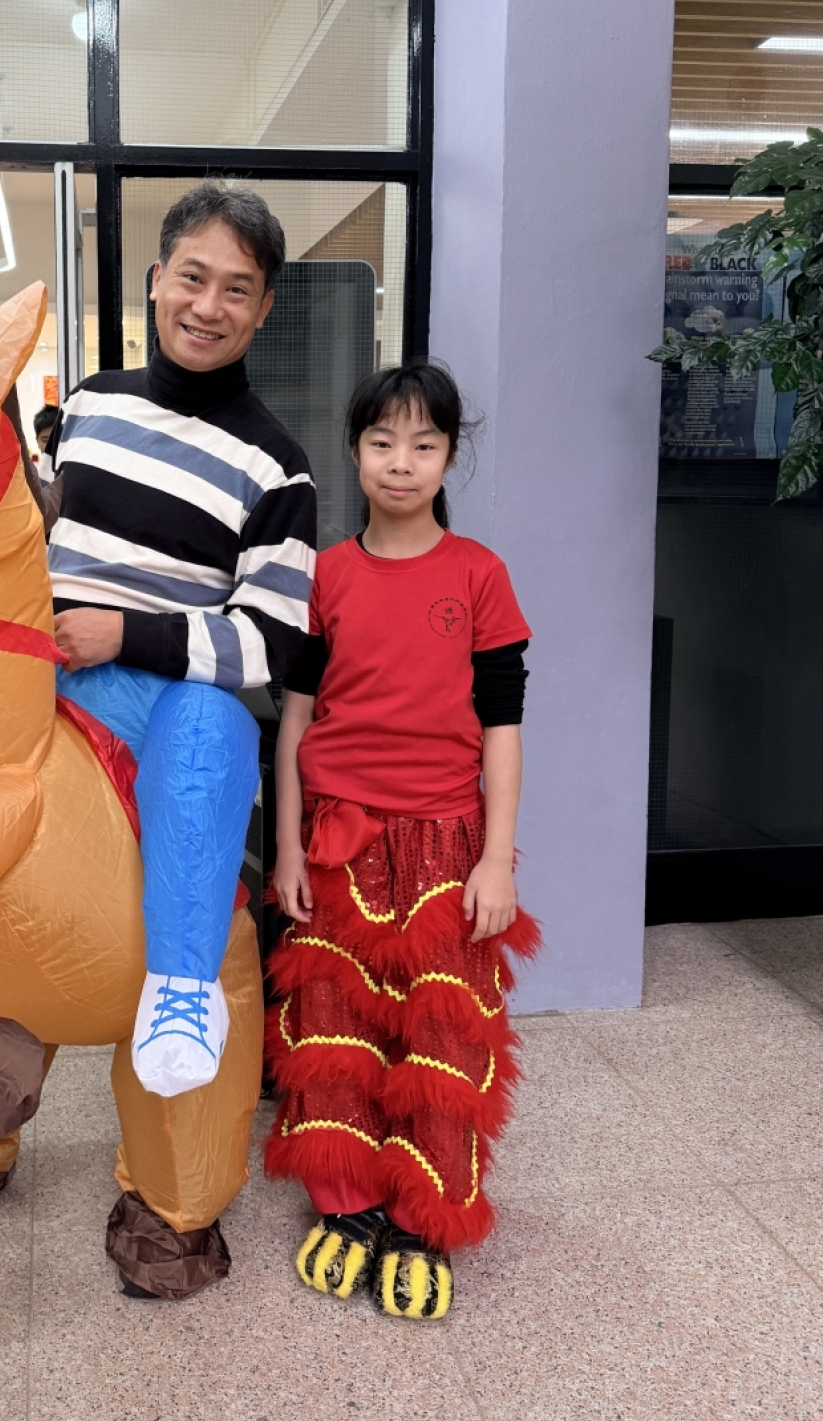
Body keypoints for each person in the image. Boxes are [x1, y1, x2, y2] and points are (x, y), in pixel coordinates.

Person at [265, 358, 540, 1320]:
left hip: (446, 846)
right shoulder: (325, 576)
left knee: (440, 1037)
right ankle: (344, 1206)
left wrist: (496, 859)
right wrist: (288, 849)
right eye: (383, 441)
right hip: (337, 839)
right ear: (355, 451)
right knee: (334, 1026)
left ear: (449, 457)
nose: (400, 462)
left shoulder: (480, 576)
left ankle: (424, 1222)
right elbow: (295, 723)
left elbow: (502, 729)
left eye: (424, 444)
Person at [47, 182, 316, 1097]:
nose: (209, 306)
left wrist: (121, 634)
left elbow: (270, 643)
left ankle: (182, 987)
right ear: (157, 279)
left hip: (157, 706)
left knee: (215, 727)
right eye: (193, 278)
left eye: (237, 289)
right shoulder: (90, 406)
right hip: (41, 674)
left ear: (264, 309)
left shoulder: (277, 468)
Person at [33, 403, 59, 483]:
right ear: (37, 441)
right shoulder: (33, 478)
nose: (50, 446)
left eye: (55, 440)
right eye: (45, 440)